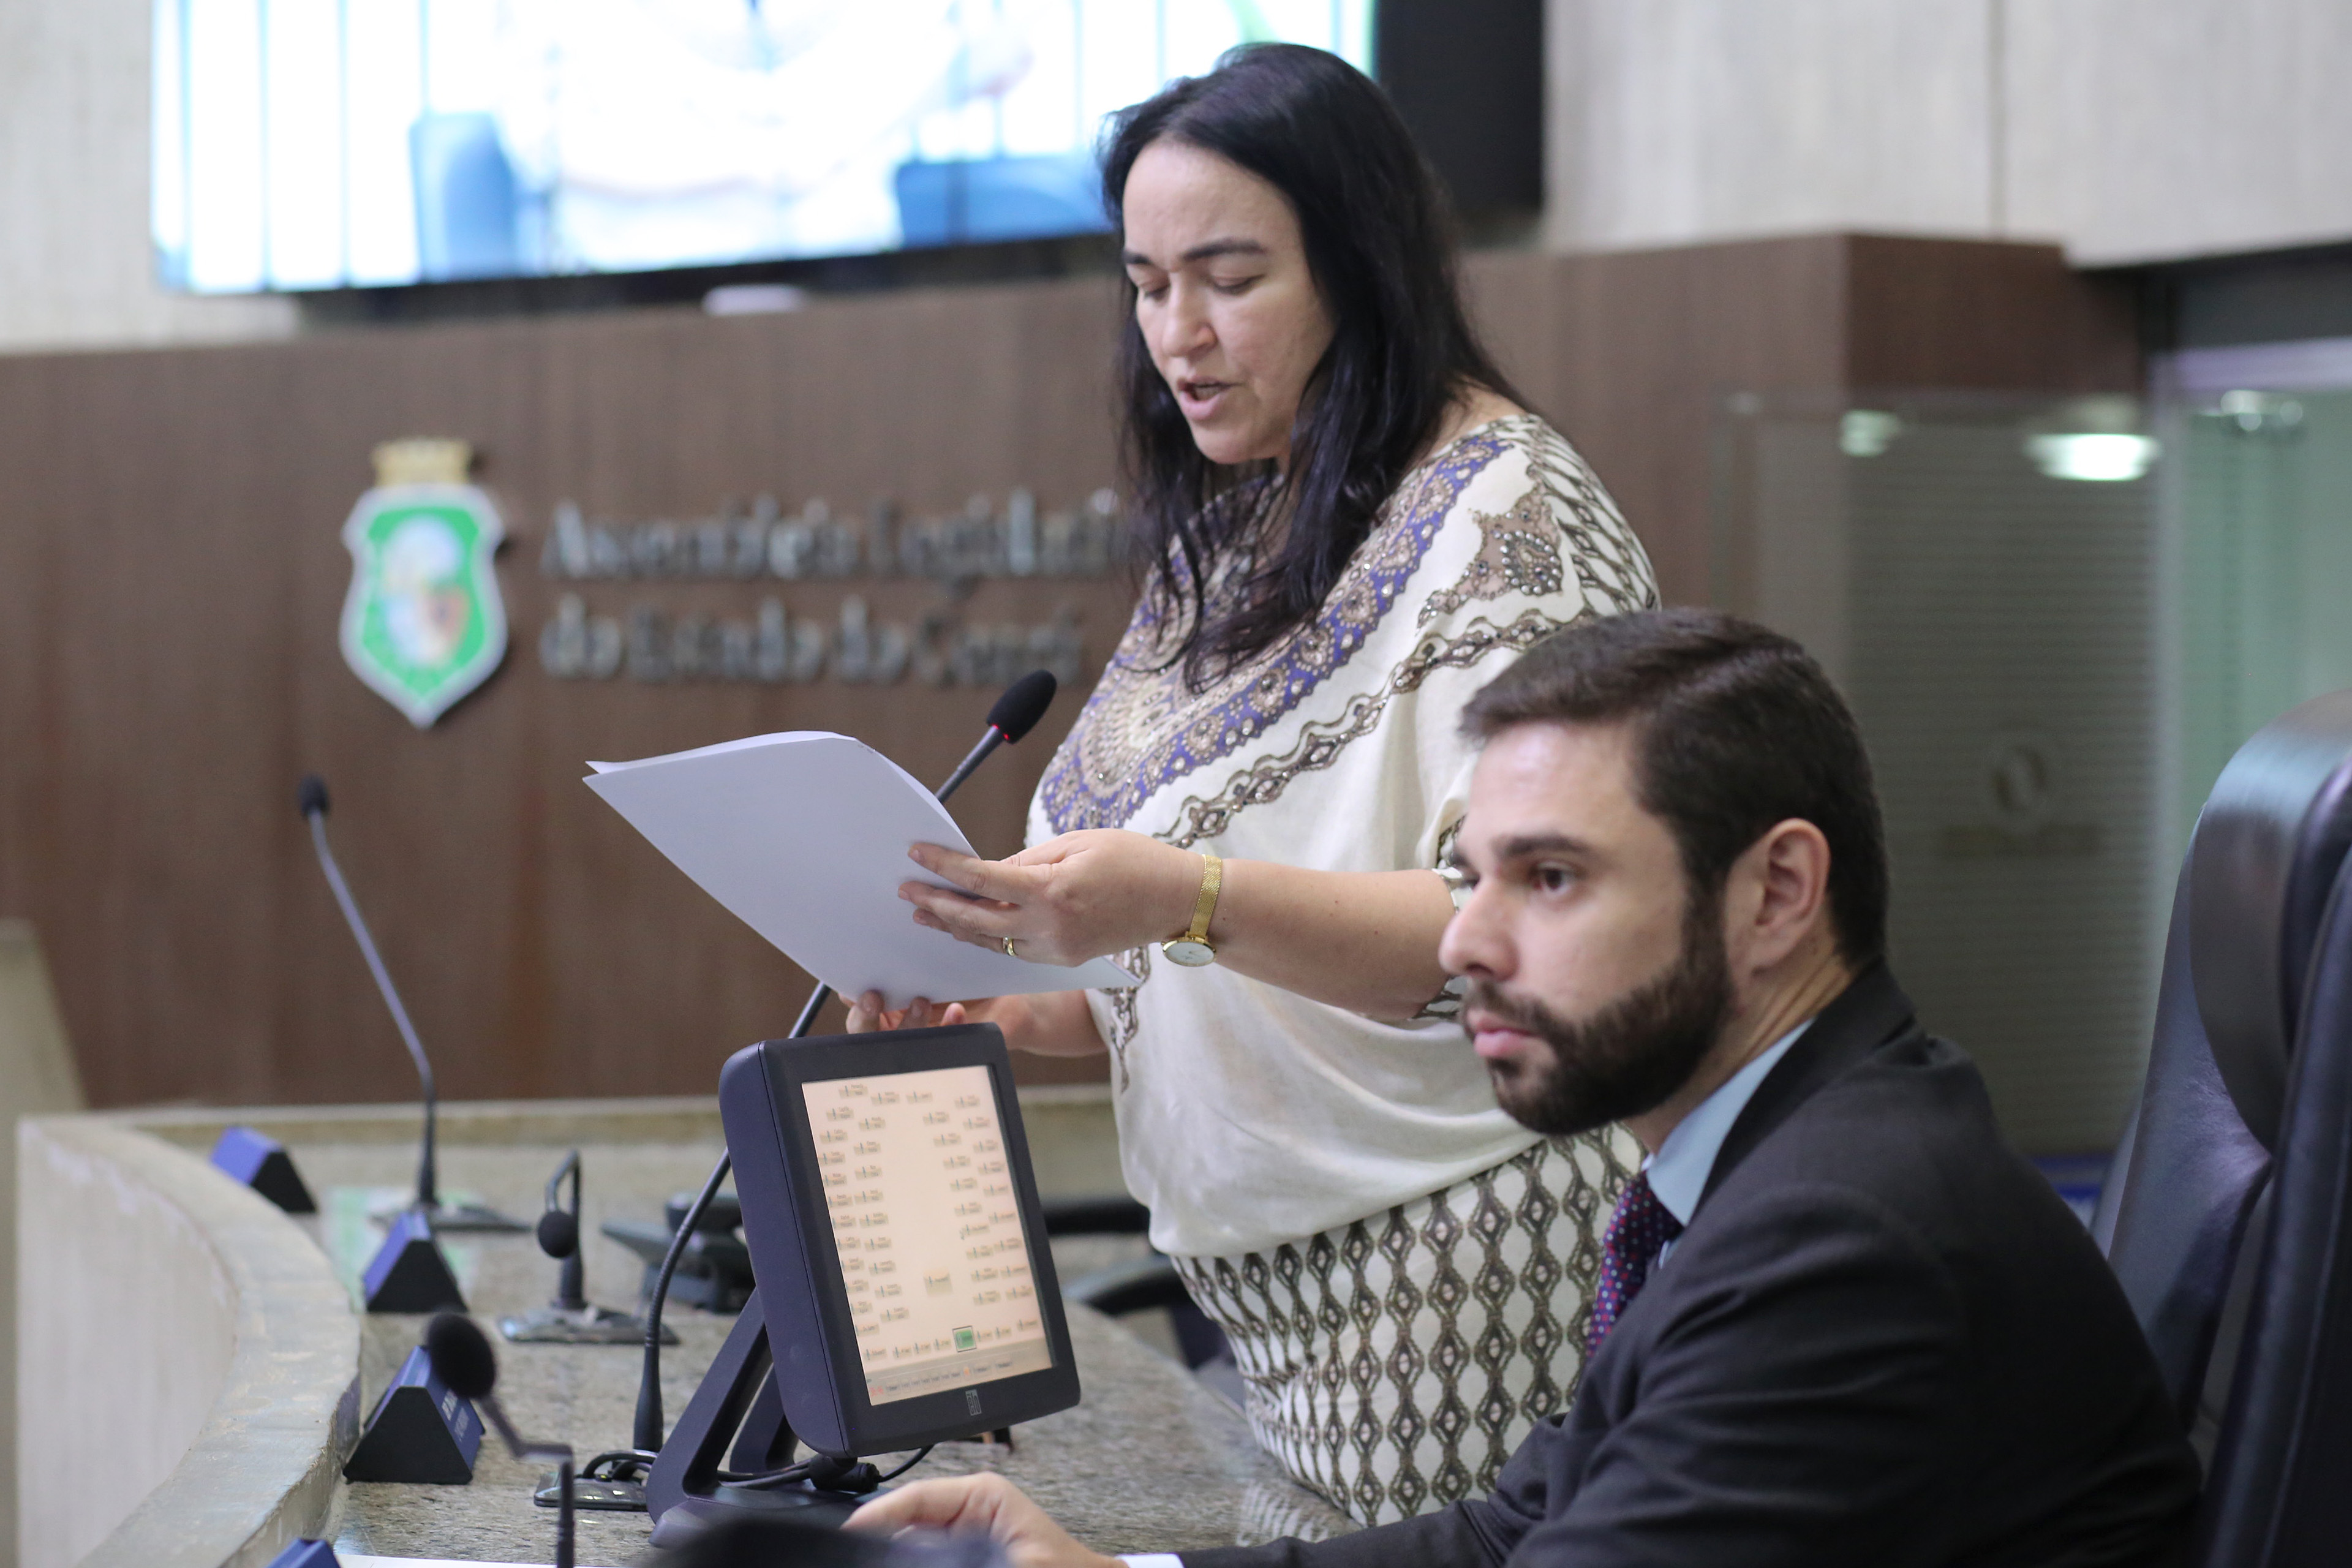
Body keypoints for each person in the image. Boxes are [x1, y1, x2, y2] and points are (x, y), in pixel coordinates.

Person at [848, 609, 2203, 1568]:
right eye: (1475, 876)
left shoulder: (1846, 1240)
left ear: (1778, 892)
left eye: (1551, 879)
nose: (1467, 944)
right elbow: (1511, 1533)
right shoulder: (1772, 1167)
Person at [849, 43, 1658, 1525]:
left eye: (1229, 278)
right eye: (1148, 284)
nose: (1180, 333)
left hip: (1466, 1268)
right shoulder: (1231, 536)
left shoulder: (1514, 515)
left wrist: (1181, 894)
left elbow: (1525, 933)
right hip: (1284, 1316)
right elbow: (1185, 963)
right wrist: (1019, 1002)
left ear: (1359, 265)